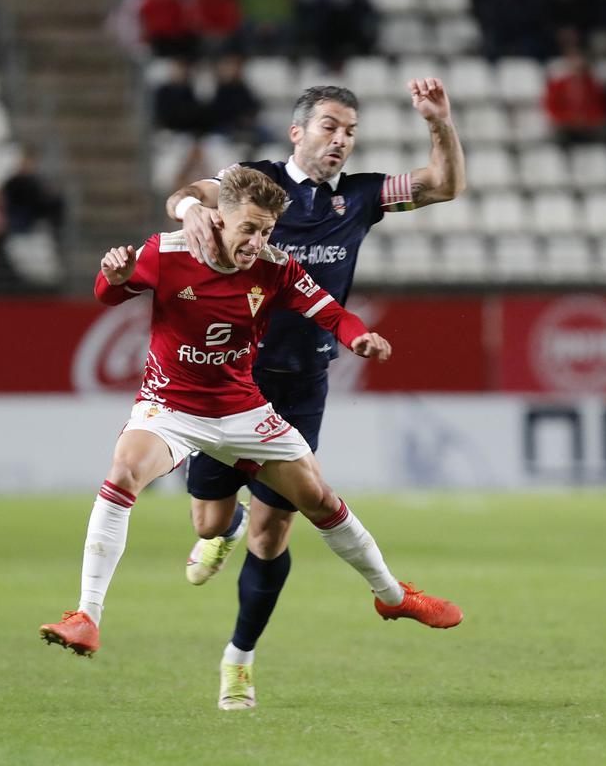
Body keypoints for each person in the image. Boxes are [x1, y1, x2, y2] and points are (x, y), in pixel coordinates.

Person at [39, 167, 462, 710]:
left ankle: (392, 596)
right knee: (125, 472)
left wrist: (360, 338)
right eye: (249, 229)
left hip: (242, 409)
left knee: (319, 499)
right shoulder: (167, 252)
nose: (257, 242)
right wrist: (114, 275)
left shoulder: (275, 267)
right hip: (172, 407)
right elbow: (108, 295)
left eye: (266, 230)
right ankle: (87, 616)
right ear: (219, 218)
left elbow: (331, 312)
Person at [162, 80, 465, 686]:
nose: (340, 140)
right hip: (232, 380)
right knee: (207, 523)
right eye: (329, 126)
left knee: (274, 533)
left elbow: (444, 185)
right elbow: (187, 194)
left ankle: (239, 659)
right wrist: (191, 210)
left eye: (350, 131)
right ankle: (226, 527)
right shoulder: (255, 182)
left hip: (302, 383)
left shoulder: (361, 196)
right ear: (297, 132)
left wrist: (438, 122)